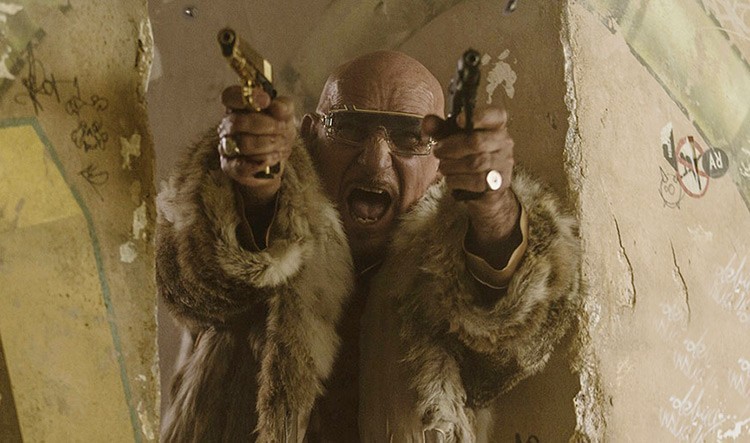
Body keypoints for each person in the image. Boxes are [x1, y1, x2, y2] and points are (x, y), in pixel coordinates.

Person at [156, 50, 580, 442]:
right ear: (311, 137)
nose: (375, 160)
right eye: (350, 128)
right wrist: (251, 201)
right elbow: (187, 289)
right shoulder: (266, 210)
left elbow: (508, 355)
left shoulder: (447, 258)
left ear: (439, 163)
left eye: (409, 137)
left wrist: (494, 211)